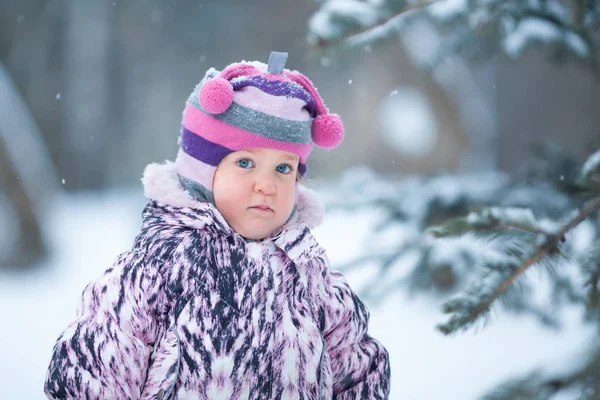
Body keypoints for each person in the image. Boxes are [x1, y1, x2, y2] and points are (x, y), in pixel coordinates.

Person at [44, 52, 390, 400]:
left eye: (283, 169)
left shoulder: (311, 275)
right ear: (202, 174)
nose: (266, 185)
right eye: (245, 162)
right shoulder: (153, 272)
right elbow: (89, 378)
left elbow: (359, 375)